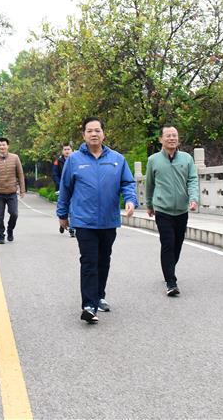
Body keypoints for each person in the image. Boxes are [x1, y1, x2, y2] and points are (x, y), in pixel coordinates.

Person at [56, 117, 136, 324]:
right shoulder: (74, 160)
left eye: (97, 130)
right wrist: (62, 214)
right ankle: (89, 305)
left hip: (109, 220)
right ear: (84, 135)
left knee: (104, 259)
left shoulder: (117, 159)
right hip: (84, 221)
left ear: (103, 134)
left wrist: (130, 200)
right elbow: (65, 188)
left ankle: (99, 296)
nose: (94, 134)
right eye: (89, 131)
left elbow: (127, 183)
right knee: (89, 261)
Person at [145, 126, 199, 297]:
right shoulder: (153, 160)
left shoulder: (186, 158)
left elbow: (192, 179)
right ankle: (171, 281)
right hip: (163, 209)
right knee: (168, 243)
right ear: (161, 139)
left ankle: (169, 268)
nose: (171, 138)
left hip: (182, 209)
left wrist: (193, 198)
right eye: (168, 136)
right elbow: (149, 184)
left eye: (174, 135)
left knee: (177, 243)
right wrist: (149, 204)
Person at [0, 137, 26, 244]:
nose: (2, 147)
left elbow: (20, 174)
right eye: (0, 145)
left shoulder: (15, 158)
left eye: (3, 145)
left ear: (7, 146)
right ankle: (1, 235)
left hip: (12, 192)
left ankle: (10, 230)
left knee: (14, 214)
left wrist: (22, 190)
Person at [52, 143, 75, 237]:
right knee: (62, 206)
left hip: (73, 188)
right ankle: (62, 222)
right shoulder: (58, 161)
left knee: (73, 208)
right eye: (65, 149)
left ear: (72, 150)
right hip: (61, 188)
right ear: (62, 151)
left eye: (68, 149)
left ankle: (72, 228)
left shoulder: (76, 160)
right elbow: (55, 174)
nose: (67, 151)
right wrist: (60, 184)